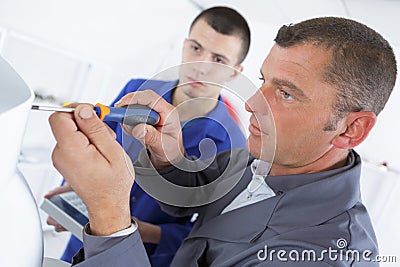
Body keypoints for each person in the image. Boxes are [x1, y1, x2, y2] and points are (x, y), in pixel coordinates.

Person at [48, 16, 397, 266]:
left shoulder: (326, 254)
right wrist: (169, 157)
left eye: (287, 94)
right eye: (264, 80)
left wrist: (109, 214)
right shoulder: (259, 159)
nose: (250, 104)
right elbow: (197, 191)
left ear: (351, 129)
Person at [46, 6, 251, 266]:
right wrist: (74, 190)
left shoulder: (234, 146)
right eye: (196, 49)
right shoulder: (137, 89)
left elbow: (209, 235)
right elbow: (98, 143)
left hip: (145, 256)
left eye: (218, 60)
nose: (201, 68)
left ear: (235, 72)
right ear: (184, 46)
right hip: (87, 235)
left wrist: (142, 230)